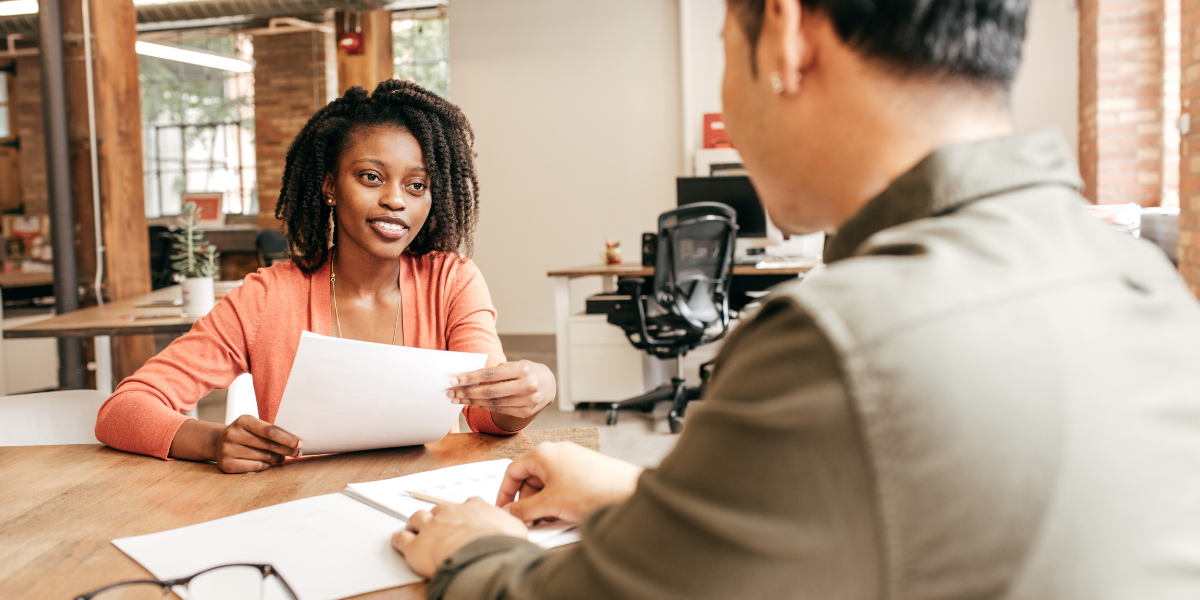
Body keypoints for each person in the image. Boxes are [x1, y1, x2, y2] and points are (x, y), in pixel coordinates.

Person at [391, 0, 1200, 598]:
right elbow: (951, 517)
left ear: (783, 32)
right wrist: (646, 495)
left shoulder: (843, 341)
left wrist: (478, 544)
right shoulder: (1146, 290)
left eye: (721, 46)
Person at [95, 80, 557, 474]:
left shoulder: (451, 281)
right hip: (300, 507)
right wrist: (213, 442)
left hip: (425, 503)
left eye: (417, 185)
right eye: (371, 177)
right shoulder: (268, 298)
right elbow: (122, 410)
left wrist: (533, 393)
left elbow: (484, 413)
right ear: (330, 186)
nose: (396, 200)